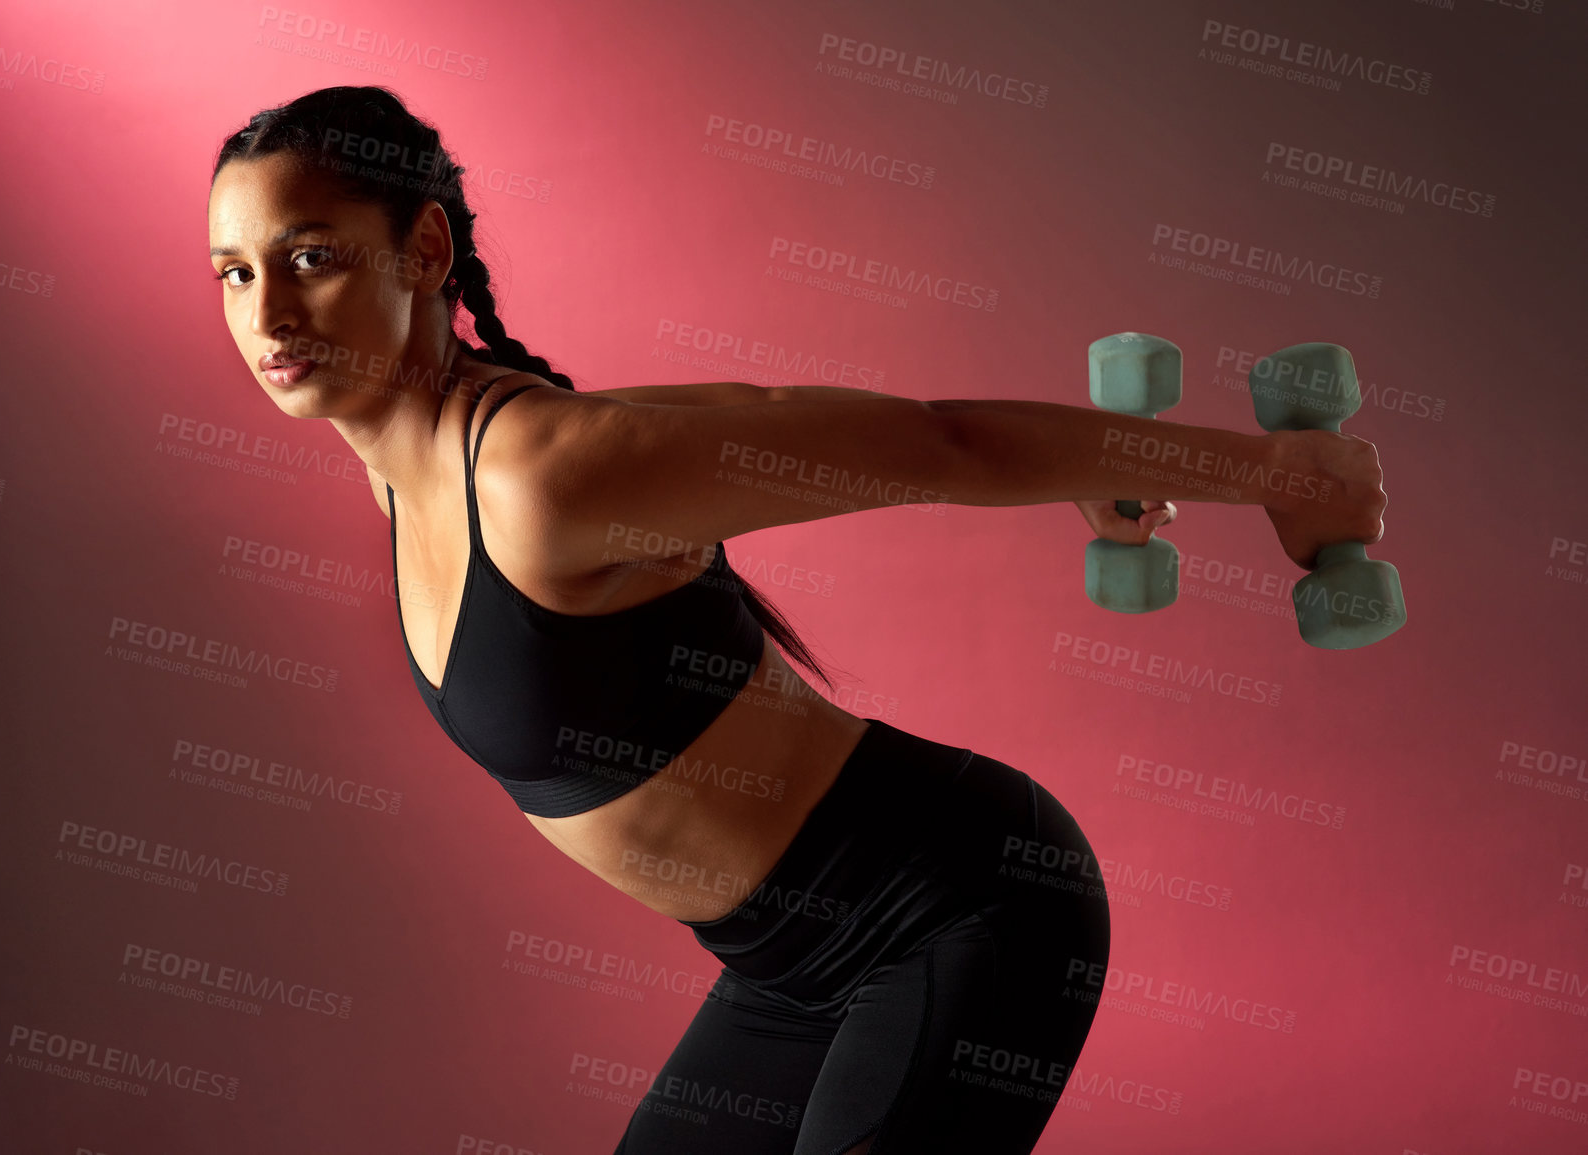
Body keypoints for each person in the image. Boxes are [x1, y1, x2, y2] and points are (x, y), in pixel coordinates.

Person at [207, 86, 1387, 1154]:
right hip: (781, 972)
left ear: (423, 250)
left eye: (308, 255)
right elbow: (761, 413)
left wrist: (1279, 472)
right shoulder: (413, 472)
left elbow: (931, 441)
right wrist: (1087, 465)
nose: (269, 314)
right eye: (234, 272)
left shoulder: (532, 474)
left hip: (955, 906)